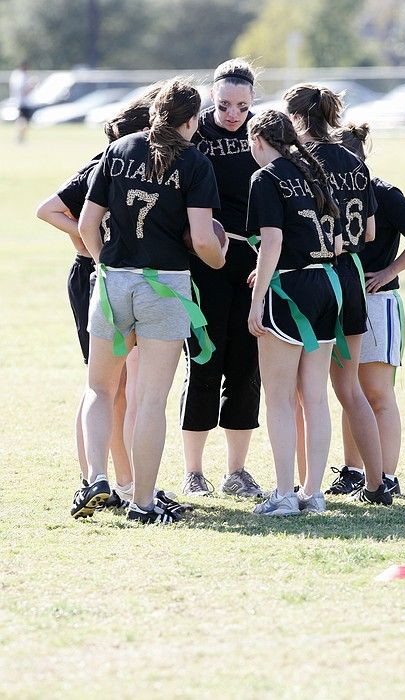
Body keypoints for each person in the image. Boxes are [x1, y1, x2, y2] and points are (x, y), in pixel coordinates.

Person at [78, 77, 227, 524]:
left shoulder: (118, 150)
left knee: (99, 389)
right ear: (191, 120)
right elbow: (202, 239)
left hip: (113, 281)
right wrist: (220, 261)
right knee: (150, 400)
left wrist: (109, 263)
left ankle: (96, 479)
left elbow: (87, 225)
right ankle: (142, 501)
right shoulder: (197, 163)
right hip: (165, 284)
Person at [36, 85, 163, 511]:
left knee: (119, 385)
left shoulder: (153, 168)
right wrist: (99, 249)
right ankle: (98, 479)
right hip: (98, 276)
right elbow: (49, 209)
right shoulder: (105, 163)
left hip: (125, 278)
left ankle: (117, 481)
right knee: (105, 384)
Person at [283, 83, 392, 507]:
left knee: (300, 391)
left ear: (295, 118)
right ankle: (377, 483)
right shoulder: (354, 159)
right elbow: (369, 231)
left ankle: (301, 485)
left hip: (311, 277)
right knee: (350, 390)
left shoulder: (296, 161)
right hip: (350, 275)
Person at [246, 109, 343, 516]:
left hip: (291, 289)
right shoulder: (315, 173)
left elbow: (272, 241)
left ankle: (285, 494)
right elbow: (338, 242)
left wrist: (257, 299)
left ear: (257, 140)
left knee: (281, 398)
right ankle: (313, 493)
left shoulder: (265, 178)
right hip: (328, 284)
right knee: (316, 398)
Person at [338, 123, 405, 495]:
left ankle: (387, 477)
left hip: (379, 303)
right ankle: (352, 471)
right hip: (341, 300)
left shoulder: (382, 192)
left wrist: (389, 271)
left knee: (376, 392)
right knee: (349, 392)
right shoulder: (323, 192)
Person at [180, 59, 263, 498]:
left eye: (242, 105)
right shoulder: (196, 137)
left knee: (246, 367)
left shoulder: (262, 137)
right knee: (204, 362)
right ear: (212, 97)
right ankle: (193, 472)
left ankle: (238, 471)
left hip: (254, 266)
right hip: (205, 264)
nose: (233, 114)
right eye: (226, 104)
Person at [9, 61, 34, 143]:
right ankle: (19, 138)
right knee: (23, 121)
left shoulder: (16, 75)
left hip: (21, 102)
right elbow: (23, 91)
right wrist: (32, 86)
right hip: (22, 103)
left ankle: (20, 138)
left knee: (23, 121)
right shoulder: (21, 76)